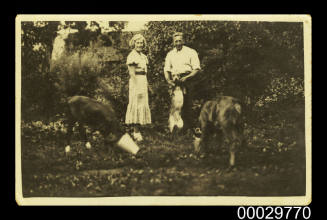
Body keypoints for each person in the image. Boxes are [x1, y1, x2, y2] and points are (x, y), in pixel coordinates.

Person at [164, 32, 201, 133]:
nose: (178, 43)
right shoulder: (170, 54)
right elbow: (166, 69)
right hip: (175, 82)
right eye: (176, 41)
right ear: (173, 42)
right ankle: (176, 128)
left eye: (180, 40)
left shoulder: (191, 52)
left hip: (188, 80)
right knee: (175, 106)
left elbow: (196, 69)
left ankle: (192, 128)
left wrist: (187, 77)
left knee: (188, 104)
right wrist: (169, 81)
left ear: (183, 41)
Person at [125, 34, 151, 141]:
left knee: (142, 105)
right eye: (138, 43)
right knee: (136, 105)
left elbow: (144, 72)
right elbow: (132, 73)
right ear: (134, 43)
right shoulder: (132, 56)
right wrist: (137, 88)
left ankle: (138, 130)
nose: (140, 45)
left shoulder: (143, 56)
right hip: (136, 83)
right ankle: (135, 132)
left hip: (143, 81)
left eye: (141, 43)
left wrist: (147, 85)